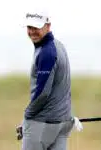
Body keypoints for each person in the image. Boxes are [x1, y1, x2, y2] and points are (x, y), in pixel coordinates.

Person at [16, 9, 83, 150]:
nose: (32, 31)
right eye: (30, 27)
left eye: (37, 27)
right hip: (63, 121)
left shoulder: (46, 52)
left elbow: (43, 93)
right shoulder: (59, 46)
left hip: (43, 124)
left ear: (48, 26)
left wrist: (27, 117)